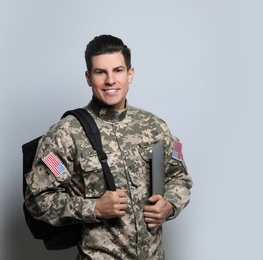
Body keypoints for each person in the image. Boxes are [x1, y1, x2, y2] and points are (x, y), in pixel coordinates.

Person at [24, 34, 193, 259]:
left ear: (130, 74)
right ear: (88, 78)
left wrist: (170, 204)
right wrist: (94, 208)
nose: (110, 80)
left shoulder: (155, 126)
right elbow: (37, 200)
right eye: (100, 72)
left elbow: (179, 177)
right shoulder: (66, 133)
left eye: (118, 70)